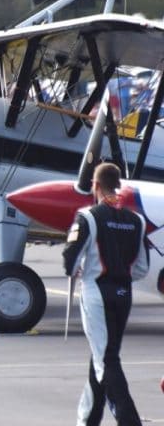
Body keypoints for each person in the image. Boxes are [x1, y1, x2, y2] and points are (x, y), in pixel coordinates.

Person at [62, 162, 149, 426]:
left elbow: (70, 263)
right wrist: (120, 275)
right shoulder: (137, 220)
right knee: (102, 355)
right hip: (124, 293)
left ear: (95, 186)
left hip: (96, 291)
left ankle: (129, 420)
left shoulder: (88, 216)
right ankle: (87, 419)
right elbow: (142, 268)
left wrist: (82, 270)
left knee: (106, 359)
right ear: (118, 184)